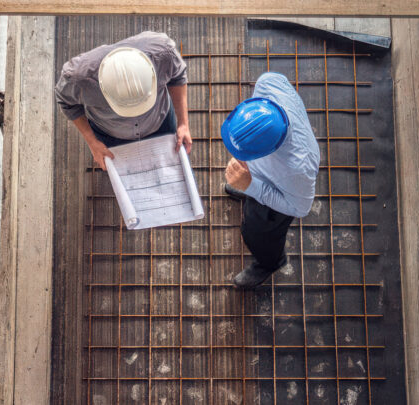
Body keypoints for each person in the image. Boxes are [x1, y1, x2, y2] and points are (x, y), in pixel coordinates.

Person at [221, 72, 319, 289]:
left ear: (268, 152)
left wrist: (251, 186)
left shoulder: (297, 170)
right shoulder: (269, 83)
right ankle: (246, 188)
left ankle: (270, 263)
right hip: (263, 174)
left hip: (280, 190)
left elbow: (299, 207)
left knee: (256, 234)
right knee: (247, 191)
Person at [55, 31, 192, 169]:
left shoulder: (163, 53)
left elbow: (178, 76)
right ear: (102, 87)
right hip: (110, 134)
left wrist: (183, 124)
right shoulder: (78, 78)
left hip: (161, 122)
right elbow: (66, 102)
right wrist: (92, 142)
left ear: (152, 73)